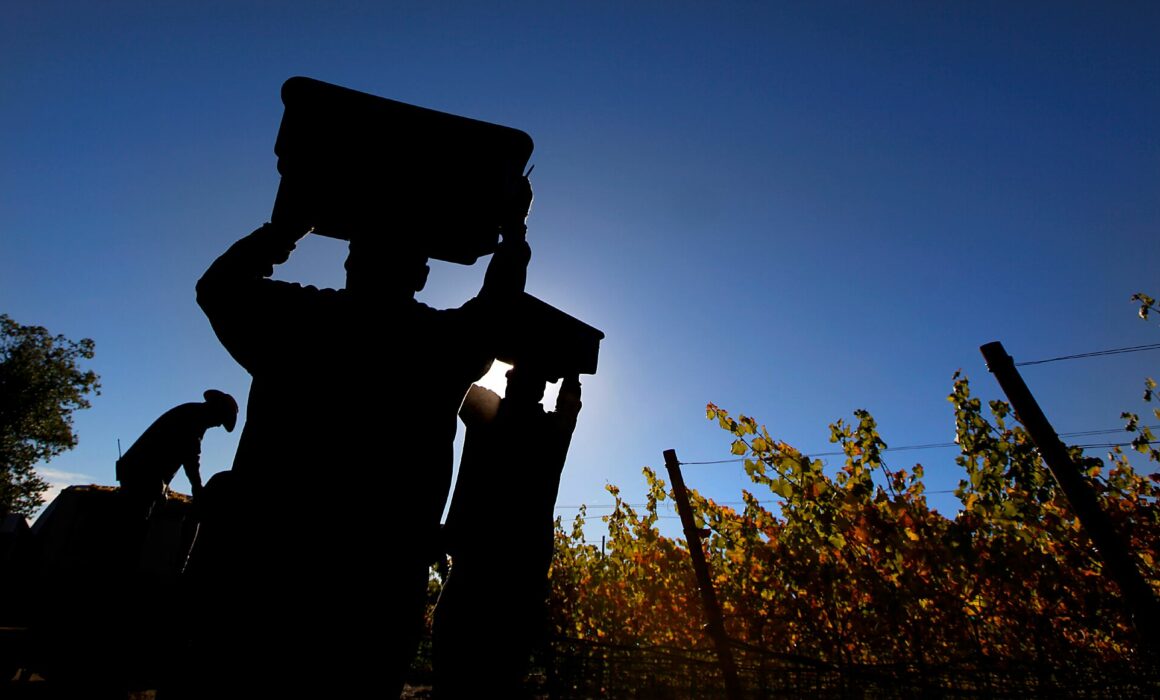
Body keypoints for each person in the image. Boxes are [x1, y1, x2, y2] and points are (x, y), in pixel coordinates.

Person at [190, 178, 532, 697]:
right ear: (420, 274)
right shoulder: (440, 346)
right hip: (377, 588)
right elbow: (499, 304)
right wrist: (513, 231)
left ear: (349, 262)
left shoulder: (295, 321)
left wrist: (286, 228)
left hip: (268, 580)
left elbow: (217, 289)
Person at [434, 367, 581, 698]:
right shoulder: (553, 432)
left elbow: (457, 372)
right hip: (520, 588)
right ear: (544, 389)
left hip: (471, 577)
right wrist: (571, 371)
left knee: (451, 683)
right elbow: (570, 404)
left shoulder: (487, 411)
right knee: (499, 683)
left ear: (509, 380)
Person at [116, 389, 238, 521]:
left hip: (139, 471)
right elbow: (191, 456)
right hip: (142, 473)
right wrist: (197, 487)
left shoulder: (191, 413)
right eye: (221, 419)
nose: (219, 425)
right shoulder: (194, 418)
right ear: (215, 409)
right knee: (134, 522)